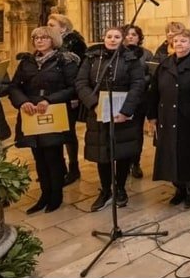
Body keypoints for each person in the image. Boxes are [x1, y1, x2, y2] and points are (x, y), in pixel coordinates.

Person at [75, 26, 147, 212]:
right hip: (98, 110)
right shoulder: (92, 58)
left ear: (122, 39)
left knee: (121, 152)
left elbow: (138, 84)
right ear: (103, 37)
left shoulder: (131, 59)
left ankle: (120, 188)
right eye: (109, 36)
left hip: (122, 112)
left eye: (117, 37)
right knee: (102, 152)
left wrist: (126, 110)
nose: (112, 40)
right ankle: (106, 189)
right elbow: (81, 83)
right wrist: (93, 102)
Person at [9, 25, 79, 213]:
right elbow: (14, 86)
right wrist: (22, 102)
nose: (39, 40)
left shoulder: (65, 60)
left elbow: (73, 88)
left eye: (44, 37)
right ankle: (44, 195)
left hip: (52, 112)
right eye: (36, 37)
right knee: (38, 156)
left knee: (53, 156)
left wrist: (49, 100)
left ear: (53, 40)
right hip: (31, 113)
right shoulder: (27, 62)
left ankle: (56, 196)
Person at [147, 28, 190, 208]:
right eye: (176, 41)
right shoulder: (165, 64)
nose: (179, 44)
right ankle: (179, 188)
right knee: (170, 155)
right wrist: (151, 116)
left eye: (184, 40)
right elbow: (154, 91)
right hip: (167, 118)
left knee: (189, 156)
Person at [48, 12, 86, 183]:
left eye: (51, 25)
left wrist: (76, 95)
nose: (48, 28)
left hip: (69, 94)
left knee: (68, 132)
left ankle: (74, 168)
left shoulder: (75, 44)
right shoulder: (50, 43)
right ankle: (58, 167)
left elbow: (80, 73)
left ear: (63, 28)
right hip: (51, 95)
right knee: (53, 130)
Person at [122, 24, 152, 179]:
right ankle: (123, 163)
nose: (130, 37)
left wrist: (137, 82)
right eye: (127, 34)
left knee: (136, 132)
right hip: (121, 99)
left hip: (139, 99)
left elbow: (151, 74)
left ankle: (135, 163)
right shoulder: (118, 54)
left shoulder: (146, 54)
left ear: (139, 37)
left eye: (134, 34)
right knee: (122, 133)